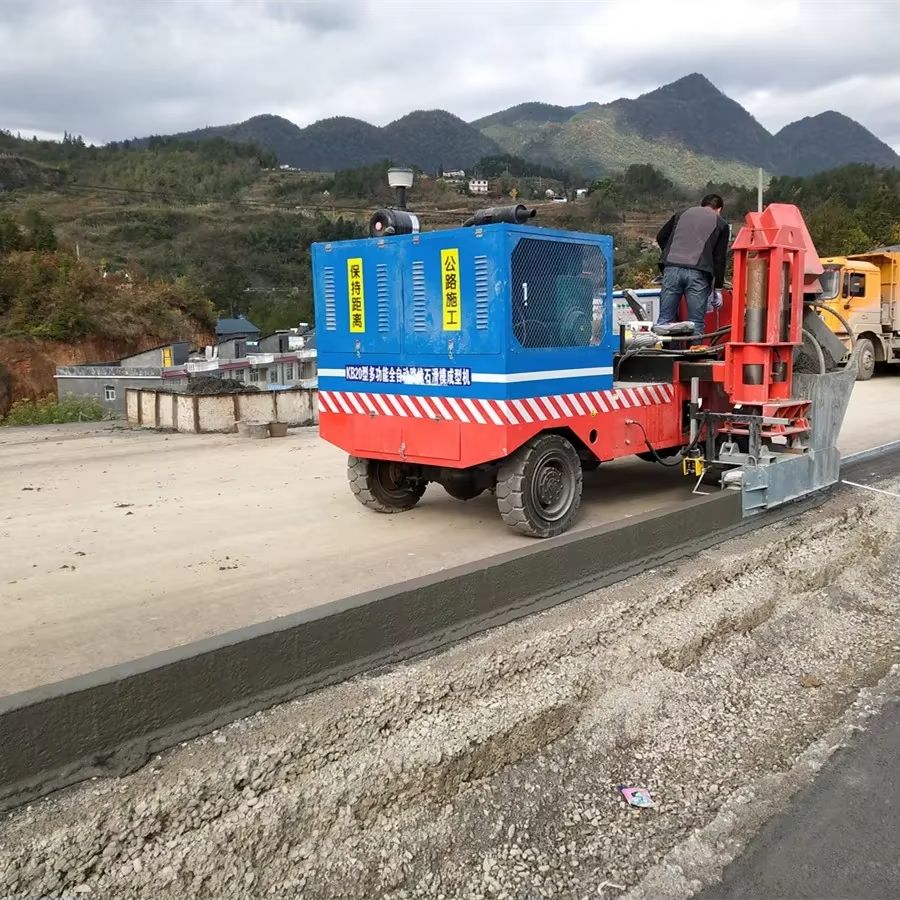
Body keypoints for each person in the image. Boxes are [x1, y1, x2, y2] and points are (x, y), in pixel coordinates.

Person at [655, 193, 729, 338]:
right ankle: (694, 351)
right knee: (696, 323)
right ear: (719, 209)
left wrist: (671, 253)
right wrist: (718, 289)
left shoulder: (681, 214)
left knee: (664, 321)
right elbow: (719, 259)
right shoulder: (721, 223)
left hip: (671, 270)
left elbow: (661, 237)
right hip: (698, 273)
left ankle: (662, 350)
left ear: (702, 204)